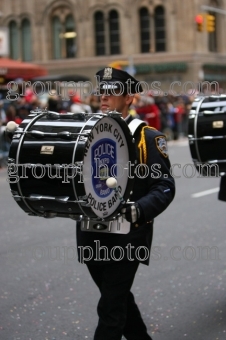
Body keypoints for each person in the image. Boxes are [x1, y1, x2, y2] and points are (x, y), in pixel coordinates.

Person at [76, 67, 175, 340]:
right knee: (118, 300)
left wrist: (138, 209)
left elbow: (164, 186)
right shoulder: (84, 134)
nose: (103, 98)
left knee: (110, 309)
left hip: (127, 237)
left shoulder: (147, 138)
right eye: (101, 92)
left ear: (129, 98)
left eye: (112, 92)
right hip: (90, 233)